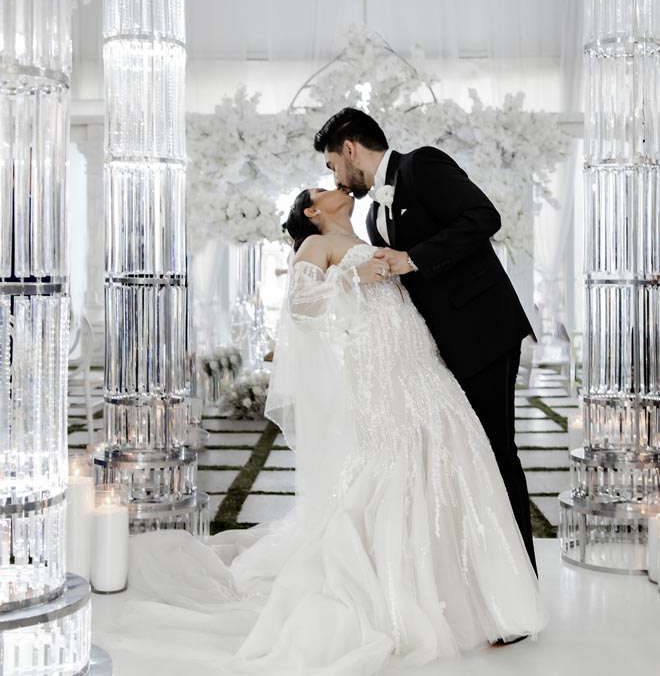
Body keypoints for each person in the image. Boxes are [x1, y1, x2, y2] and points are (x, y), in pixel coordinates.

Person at [118, 186, 543, 676]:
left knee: (455, 456)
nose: (334, 186)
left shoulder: (371, 233)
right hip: (381, 370)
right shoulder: (314, 246)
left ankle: (475, 593)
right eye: (320, 190)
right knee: (394, 466)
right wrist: (352, 276)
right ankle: (400, 592)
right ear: (313, 212)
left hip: (423, 362)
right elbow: (301, 305)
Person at [314, 106, 537, 573]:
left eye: (333, 164)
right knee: (468, 462)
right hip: (442, 350)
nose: (336, 178)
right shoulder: (375, 213)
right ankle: (477, 577)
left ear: (350, 149)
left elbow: (483, 217)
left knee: (497, 453)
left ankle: (521, 580)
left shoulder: (422, 164)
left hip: (484, 334)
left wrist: (412, 258)